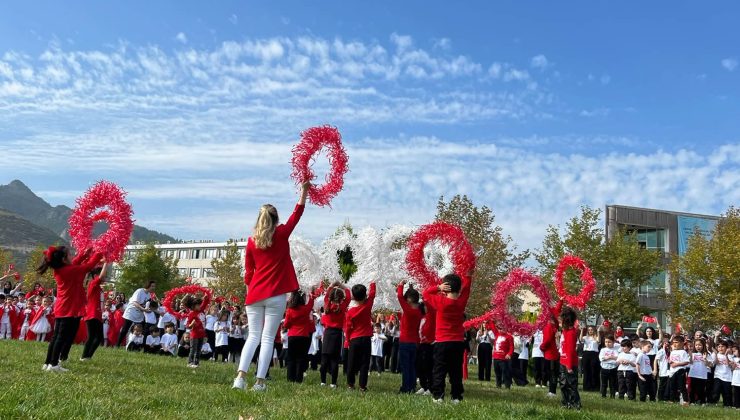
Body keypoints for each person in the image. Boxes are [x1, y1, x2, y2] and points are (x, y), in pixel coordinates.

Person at [232, 181, 310, 392]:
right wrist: (303, 191)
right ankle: (259, 382)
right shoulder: (282, 234)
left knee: (253, 337)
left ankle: (240, 378)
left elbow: (248, 273)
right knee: (267, 338)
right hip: (276, 295)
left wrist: (250, 293)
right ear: (276, 220)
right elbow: (298, 214)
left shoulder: (251, 241)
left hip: (255, 295)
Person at [37, 246, 103, 372]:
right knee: (61, 337)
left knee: (56, 337)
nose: (72, 256)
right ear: (63, 259)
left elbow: (75, 263)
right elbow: (87, 267)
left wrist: (84, 254)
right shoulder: (68, 270)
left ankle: (48, 363)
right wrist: (99, 253)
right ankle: (54, 365)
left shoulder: (62, 269)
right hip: (68, 308)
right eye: (69, 254)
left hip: (63, 307)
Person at [423, 273, 471, 403]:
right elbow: (467, 289)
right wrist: (468, 275)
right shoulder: (461, 302)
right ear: (458, 288)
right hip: (458, 342)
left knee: (439, 370)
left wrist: (438, 287)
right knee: (456, 371)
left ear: (446, 287)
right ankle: (456, 397)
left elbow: (425, 294)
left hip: (442, 342)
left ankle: (438, 396)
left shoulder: (440, 301)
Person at [283, 288, 321, 383]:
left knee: (291, 358)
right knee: (301, 358)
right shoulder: (306, 309)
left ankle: (290, 378)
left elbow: (286, 324)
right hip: (304, 336)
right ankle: (299, 379)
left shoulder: (290, 310)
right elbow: (311, 301)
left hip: (292, 336)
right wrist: (312, 291)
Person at [345, 282, 377, 391]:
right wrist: (373, 282)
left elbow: (348, 328)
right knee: (364, 363)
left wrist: (348, 341)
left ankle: (350, 384)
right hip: (366, 338)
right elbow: (372, 294)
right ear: (365, 295)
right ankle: (362, 386)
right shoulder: (368, 306)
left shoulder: (350, 312)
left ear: (353, 297)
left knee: (351, 363)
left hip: (354, 339)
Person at [320, 282, 350, 388]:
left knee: (324, 359)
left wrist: (332, 285)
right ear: (341, 298)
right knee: (334, 360)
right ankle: (333, 383)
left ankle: (323, 381)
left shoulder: (327, 304)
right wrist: (342, 285)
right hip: (337, 334)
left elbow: (327, 295)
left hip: (327, 333)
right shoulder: (342, 306)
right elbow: (349, 295)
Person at [396, 280, 423, 393]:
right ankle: (412, 386)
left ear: (409, 299)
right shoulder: (419, 311)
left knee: (405, 366)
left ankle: (405, 387)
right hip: (414, 341)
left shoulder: (408, 310)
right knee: (412, 366)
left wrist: (401, 284)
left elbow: (399, 296)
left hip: (405, 341)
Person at [80, 261, 109, 361]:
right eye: (104, 275)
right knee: (92, 336)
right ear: (96, 275)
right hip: (92, 314)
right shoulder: (93, 284)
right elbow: (101, 277)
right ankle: (84, 356)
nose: (105, 277)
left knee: (98, 337)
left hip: (97, 314)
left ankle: (88, 356)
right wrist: (106, 263)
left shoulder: (99, 288)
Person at [117, 281, 156, 347]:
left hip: (139, 313)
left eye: (154, 286)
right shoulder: (139, 291)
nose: (153, 288)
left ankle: (135, 345)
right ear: (148, 285)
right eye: (152, 286)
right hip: (131, 311)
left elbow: (146, 306)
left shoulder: (149, 295)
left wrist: (148, 310)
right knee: (125, 329)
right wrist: (143, 309)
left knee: (139, 329)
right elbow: (134, 302)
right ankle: (117, 345)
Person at [558, 305, 580, 409]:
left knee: (571, 384)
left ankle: (575, 404)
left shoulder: (571, 333)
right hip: (563, 361)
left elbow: (571, 350)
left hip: (569, 363)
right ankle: (565, 403)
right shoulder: (565, 332)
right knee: (563, 384)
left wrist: (569, 365)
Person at [540, 301, 562, 398]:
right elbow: (556, 310)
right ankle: (552, 391)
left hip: (550, 353)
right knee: (552, 372)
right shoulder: (554, 325)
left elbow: (548, 339)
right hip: (553, 352)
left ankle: (552, 392)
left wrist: (542, 347)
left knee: (551, 373)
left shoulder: (549, 326)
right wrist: (560, 302)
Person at [415, 304, 435, 396]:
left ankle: (430, 388)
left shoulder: (432, 317)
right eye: (424, 306)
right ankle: (424, 386)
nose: (425, 307)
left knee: (428, 367)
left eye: (427, 306)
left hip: (429, 344)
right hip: (421, 344)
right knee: (419, 366)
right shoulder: (422, 317)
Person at [183, 295, 206, 368]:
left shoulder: (201, 311)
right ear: (193, 306)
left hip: (201, 333)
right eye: (198, 305)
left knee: (199, 349)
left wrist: (205, 298)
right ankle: (190, 362)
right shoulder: (191, 314)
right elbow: (187, 325)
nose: (200, 306)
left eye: (200, 305)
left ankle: (196, 362)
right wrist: (192, 324)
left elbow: (204, 304)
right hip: (194, 334)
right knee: (193, 349)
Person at [688, 338, 712, 404]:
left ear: (703, 345)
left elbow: (710, 365)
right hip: (693, 374)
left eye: (700, 345)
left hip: (702, 375)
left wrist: (705, 359)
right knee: (692, 389)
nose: (698, 347)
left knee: (701, 389)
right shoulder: (692, 353)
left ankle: (702, 402)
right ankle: (692, 401)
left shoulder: (707, 354)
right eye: (696, 345)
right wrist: (690, 356)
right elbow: (690, 363)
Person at [490, 322, 514, 389]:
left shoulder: (509, 337)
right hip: (495, 357)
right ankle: (498, 385)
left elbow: (512, 347)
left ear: (505, 328)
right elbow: (493, 327)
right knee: (497, 372)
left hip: (503, 359)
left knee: (505, 373)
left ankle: (507, 386)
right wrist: (490, 318)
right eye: (499, 328)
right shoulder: (497, 334)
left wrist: (509, 354)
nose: (500, 330)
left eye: (501, 328)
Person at [667, 335, 690, 405]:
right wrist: (670, 362)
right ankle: (672, 399)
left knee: (682, 386)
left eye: (676, 342)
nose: (674, 344)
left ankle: (685, 401)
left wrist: (677, 364)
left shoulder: (683, 352)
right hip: (672, 371)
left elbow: (686, 362)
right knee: (672, 386)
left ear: (682, 343)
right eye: (673, 342)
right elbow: (670, 360)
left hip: (680, 371)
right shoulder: (673, 352)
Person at [711, 340, 733, 407]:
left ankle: (727, 405)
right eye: (719, 346)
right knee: (716, 391)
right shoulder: (716, 355)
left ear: (727, 348)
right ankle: (714, 403)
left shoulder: (730, 355)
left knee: (727, 393)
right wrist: (715, 354)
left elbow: (730, 365)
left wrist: (726, 355)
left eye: (722, 346)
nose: (720, 348)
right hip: (718, 376)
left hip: (727, 377)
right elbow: (716, 363)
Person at [579, 325, 600, 392]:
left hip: (594, 354)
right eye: (589, 330)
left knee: (594, 370)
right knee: (586, 370)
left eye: (591, 329)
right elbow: (580, 339)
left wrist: (598, 331)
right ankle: (586, 387)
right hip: (586, 354)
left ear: (594, 330)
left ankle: (594, 387)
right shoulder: (585, 337)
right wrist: (582, 330)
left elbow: (599, 341)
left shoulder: (596, 337)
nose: (590, 331)